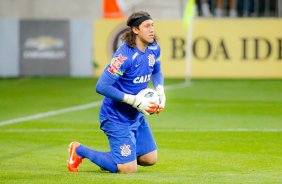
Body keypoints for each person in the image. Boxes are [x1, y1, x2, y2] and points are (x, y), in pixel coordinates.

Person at [67, 11, 166, 174]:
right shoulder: (124, 56)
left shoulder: (154, 47)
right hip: (115, 117)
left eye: (152, 25)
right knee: (128, 169)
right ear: (135, 30)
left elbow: (156, 71)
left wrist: (160, 91)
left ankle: (114, 160)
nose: (152, 29)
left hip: (136, 116)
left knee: (150, 159)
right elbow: (102, 86)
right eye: (147, 26)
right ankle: (79, 150)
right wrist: (133, 100)